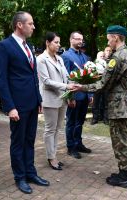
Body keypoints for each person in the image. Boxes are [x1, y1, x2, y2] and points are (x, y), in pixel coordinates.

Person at [75, 25, 127, 188]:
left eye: (109, 37)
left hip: (119, 106)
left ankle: (124, 177)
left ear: (116, 37)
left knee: (120, 141)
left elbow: (103, 85)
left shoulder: (116, 58)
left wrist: (81, 87)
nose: (108, 41)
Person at [0, 11, 49, 194]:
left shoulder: (29, 46)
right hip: (17, 105)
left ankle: (30, 173)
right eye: (31, 23)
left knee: (30, 140)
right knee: (18, 142)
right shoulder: (4, 46)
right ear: (20, 25)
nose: (33, 27)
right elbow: (1, 79)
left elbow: (33, 75)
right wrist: (9, 107)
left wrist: (38, 99)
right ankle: (20, 177)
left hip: (32, 103)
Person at [37, 32, 75, 170]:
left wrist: (72, 91)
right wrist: (66, 86)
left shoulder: (59, 59)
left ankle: (54, 155)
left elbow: (66, 77)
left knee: (58, 129)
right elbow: (46, 81)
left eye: (59, 42)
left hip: (62, 99)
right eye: (56, 42)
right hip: (50, 99)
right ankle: (51, 157)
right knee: (50, 129)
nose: (59, 45)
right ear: (48, 43)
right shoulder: (41, 59)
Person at [61, 31, 93, 159]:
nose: (80, 41)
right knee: (71, 122)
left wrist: (90, 93)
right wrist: (70, 97)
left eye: (82, 39)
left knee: (80, 121)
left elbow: (90, 77)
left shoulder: (85, 57)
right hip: (74, 95)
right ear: (71, 40)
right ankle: (71, 147)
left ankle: (78, 143)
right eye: (77, 39)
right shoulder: (65, 56)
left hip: (84, 95)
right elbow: (65, 78)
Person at [91, 51, 107, 125]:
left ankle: (105, 118)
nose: (102, 57)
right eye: (101, 56)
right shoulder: (93, 64)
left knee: (105, 102)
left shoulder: (107, 64)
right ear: (97, 57)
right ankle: (95, 118)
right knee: (95, 103)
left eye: (103, 56)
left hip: (105, 85)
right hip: (97, 84)